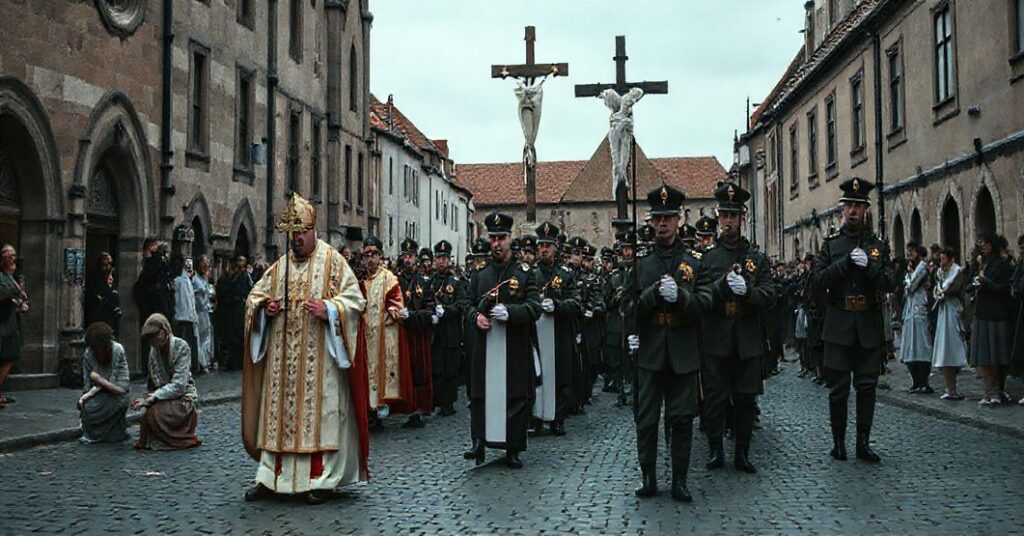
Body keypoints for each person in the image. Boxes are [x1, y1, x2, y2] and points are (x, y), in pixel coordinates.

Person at [241, 194, 369, 505]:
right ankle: (270, 477)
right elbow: (253, 298)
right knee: (277, 418)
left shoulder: (333, 263)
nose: (296, 240)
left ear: (314, 231)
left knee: (317, 418)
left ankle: (318, 479)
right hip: (282, 365)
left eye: (301, 233)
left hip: (319, 362)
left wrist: (331, 310)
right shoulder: (280, 267)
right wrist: (264, 310)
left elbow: (356, 301)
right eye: (292, 234)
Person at [628, 184, 712, 503]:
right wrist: (650, 296)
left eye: (668, 218)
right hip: (650, 352)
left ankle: (680, 479)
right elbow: (628, 307)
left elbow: (705, 304)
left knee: (680, 418)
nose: (662, 224)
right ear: (651, 222)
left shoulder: (695, 262)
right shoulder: (641, 265)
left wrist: (682, 298)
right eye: (657, 218)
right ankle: (648, 475)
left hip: (682, 350)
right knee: (647, 419)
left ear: (679, 220)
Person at [810, 177, 895, 463]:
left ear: (866, 210)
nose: (854, 211)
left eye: (859, 206)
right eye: (850, 206)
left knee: (867, 387)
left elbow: (890, 282)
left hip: (868, 323)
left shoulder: (878, 246)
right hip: (839, 323)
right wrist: (844, 264)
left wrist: (869, 267)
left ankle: (863, 442)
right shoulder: (832, 245)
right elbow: (817, 281)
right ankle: (838, 442)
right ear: (842, 211)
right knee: (838, 389)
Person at [699, 181, 775, 475]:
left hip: (746, 337)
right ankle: (716, 449)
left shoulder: (756, 259)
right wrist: (720, 288)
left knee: (745, 398)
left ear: (742, 217)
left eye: (734, 215)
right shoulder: (708, 258)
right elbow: (701, 296)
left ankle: (742, 451)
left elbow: (770, 295)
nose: (728, 221)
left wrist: (749, 293)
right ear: (718, 218)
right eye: (724, 215)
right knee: (716, 398)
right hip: (717, 337)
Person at [465, 211, 541, 469]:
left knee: (515, 394)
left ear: (510, 238)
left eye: (502, 238)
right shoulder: (480, 273)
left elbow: (534, 307)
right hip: (485, 344)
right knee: (479, 394)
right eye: (493, 238)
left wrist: (511, 312)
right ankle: (479, 440)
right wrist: (476, 316)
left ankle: (513, 447)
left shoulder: (524, 273)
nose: (496, 243)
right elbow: (468, 304)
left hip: (514, 344)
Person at [533, 222, 581, 436]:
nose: (544, 249)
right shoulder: (530, 275)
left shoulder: (565, 274)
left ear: (555, 248)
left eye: (548, 245)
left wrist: (558, 305)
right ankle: (536, 416)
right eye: (541, 245)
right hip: (536, 332)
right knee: (536, 375)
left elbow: (576, 303)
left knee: (561, 375)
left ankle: (558, 418)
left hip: (559, 331)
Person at [360, 236, 412, 423]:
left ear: (380, 256)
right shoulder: (359, 278)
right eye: (367, 255)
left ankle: (379, 409)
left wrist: (392, 310)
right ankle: (367, 409)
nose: (370, 258)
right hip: (364, 333)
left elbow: (396, 302)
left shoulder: (389, 278)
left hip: (383, 332)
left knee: (381, 370)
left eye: (374, 254)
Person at [133, 313, 201, 451]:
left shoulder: (181, 346)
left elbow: (179, 385)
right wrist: (148, 398)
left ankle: (175, 438)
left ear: (164, 331)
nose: (153, 341)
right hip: (164, 394)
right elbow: (156, 380)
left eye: (155, 336)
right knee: (148, 413)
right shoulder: (154, 351)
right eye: (150, 339)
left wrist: (155, 396)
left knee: (154, 413)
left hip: (183, 396)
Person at [969, 232, 1014, 406]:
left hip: (997, 314)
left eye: (986, 243)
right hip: (982, 313)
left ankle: (997, 390)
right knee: (984, 357)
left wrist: (985, 282)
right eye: (981, 243)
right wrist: (973, 286)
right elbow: (971, 284)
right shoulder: (980, 264)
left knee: (997, 356)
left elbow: (1004, 289)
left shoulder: (1002, 265)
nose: (983, 246)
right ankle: (988, 391)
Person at [396, 239, 435, 428]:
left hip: (418, 333)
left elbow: (431, 309)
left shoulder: (424, 282)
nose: (407, 259)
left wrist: (412, 315)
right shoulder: (395, 281)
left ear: (416, 258)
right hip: (401, 332)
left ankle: (419, 409)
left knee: (419, 370)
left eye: (410, 256)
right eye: (405, 256)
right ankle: (405, 406)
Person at [428, 240, 466, 417]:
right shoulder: (429, 281)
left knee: (451, 368)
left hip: (451, 331)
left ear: (450, 260)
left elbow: (462, 304)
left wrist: (448, 311)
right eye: (439, 258)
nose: (442, 262)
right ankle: (437, 400)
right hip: (436, 332)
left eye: (445, 258)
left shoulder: (456, 282)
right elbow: (425, 302)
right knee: (437, 367)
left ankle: (449, 402)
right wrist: (432, 313)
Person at [78, 322, 130, 443]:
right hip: (97, 393)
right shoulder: (89, 354)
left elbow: (119, 386)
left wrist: (99, 381)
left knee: (102, 406)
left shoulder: (117, 350)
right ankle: (94, 434)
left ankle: (113, 432)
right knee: (88, 408)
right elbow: (87, 381)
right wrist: (85, 396)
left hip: (116, 392)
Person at [932, 248, 968, 400]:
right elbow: (937, 286)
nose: (942, 263)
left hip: (953, 312)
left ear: (951, 259)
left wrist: (943, 292)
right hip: (943, 312)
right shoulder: (941, 273)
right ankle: (949, 388)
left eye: (944, 259)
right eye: (940, 259)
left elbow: (955, 289)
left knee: (953, 347)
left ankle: (953, 387)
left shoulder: (957, 272)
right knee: (943, 349)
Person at [899, 243, 934, 393]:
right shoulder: (912, 269)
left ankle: (923, 381)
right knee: (910, 347)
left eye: (911, 252)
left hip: (919, 307)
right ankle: (916, 381)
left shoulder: (921, 268)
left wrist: (907, 280)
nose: (909, 255)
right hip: (910, 309)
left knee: (921, 345)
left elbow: (911, 285)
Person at [0, 244, 26, 408]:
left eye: (13, 255)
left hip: (10, 322)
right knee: (6, 355)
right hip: (2, 322)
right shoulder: (3, 276)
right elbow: (2, 294)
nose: (12, 259)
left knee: (10, 355)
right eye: (8, 256)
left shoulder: (12, 276)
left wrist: (19, 302)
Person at [215, 255, 252, 370]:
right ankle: (232, 361)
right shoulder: (230, 277)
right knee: (232, 335)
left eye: (242, 260)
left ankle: (239, 361)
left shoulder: (245, 276)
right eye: (238, 260)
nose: (240, 262)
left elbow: (249, 289)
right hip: (232, 309)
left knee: (240, 334)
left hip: (240, 308)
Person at [173, 257, 200, 374]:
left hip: (187, 317)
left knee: (189, 342)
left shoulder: (186, 280)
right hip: (183, 317)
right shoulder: (180, 281)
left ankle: (191, 365)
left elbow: (190, 300)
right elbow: (184, 301)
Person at [85, 252, 122, 336]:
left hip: (110, 314)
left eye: (109, 264)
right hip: (99, 312)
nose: (108, 267)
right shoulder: (96, 277)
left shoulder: (112, 275)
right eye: (105, 264)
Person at [192, 256, 215, 373]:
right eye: (205, 263)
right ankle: (202, 362)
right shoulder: (195, 280)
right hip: (199, 312)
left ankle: (206, 361)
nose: (207, 266)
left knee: (207, 337)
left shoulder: (204, 279)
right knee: (201, 338)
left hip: (205, 311)